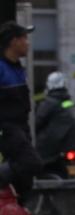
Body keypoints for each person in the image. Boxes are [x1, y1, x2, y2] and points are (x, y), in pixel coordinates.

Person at [0, 21, 42, 198]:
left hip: (22, 128)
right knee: (31, 163)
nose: (27, 42)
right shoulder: (1, 68)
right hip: (8, 129)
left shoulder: (17, 68)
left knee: (25, 182)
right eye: (24, 38)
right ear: (13, 41)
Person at [35, 71, 75, 176]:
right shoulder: (69, 103)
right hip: (71, 148)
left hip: (51, 152)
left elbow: (36, 124)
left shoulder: (48, 103)